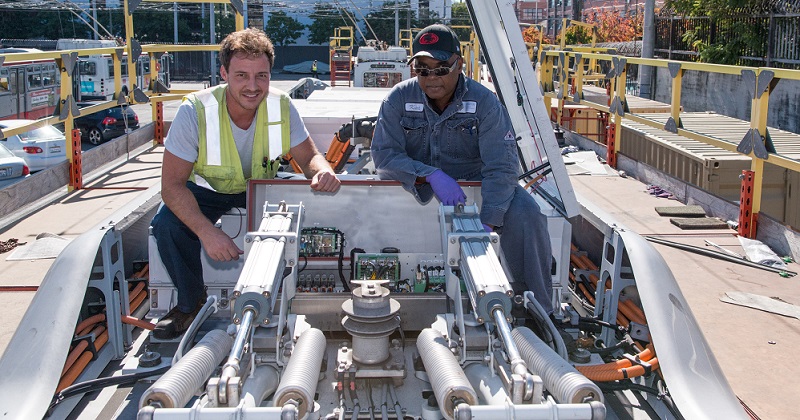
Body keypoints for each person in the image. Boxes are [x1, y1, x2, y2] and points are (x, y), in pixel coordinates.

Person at [151, 28, 341, 339]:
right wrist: (207, 231)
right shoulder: (194, 111)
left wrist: (322, 171)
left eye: (262, 76)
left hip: (261, 186)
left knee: (309, 213)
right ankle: (190, 303)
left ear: (270, 75)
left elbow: (309, 156)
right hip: (208, 190)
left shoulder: (281, 105)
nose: (252, 87)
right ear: (224, 73)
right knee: (167, 226)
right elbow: (171, 186)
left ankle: (291, 296)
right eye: (241, 76)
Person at [370, 24, 553, 313]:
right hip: (418, 184)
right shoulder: (398, 100)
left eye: (441, 68)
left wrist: (488, 224)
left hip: (477, 187)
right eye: (422, 68)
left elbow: (502, 167)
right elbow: (384, 156)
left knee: (527, 213)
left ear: (459, 64)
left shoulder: (485, 103)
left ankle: (538, 310)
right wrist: (429, 174)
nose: (431, 78)